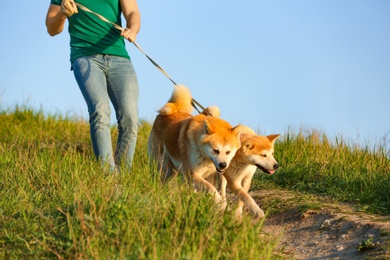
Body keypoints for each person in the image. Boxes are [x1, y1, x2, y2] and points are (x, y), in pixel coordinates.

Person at [46, 0, 141, 172]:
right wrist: (62, 13)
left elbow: (133, 12)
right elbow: (51, 28)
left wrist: (132, 29)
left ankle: (123, 178)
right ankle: (109, 178)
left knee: (130, 118)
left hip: (119, 57)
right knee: (100, 110)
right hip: (85, 56)